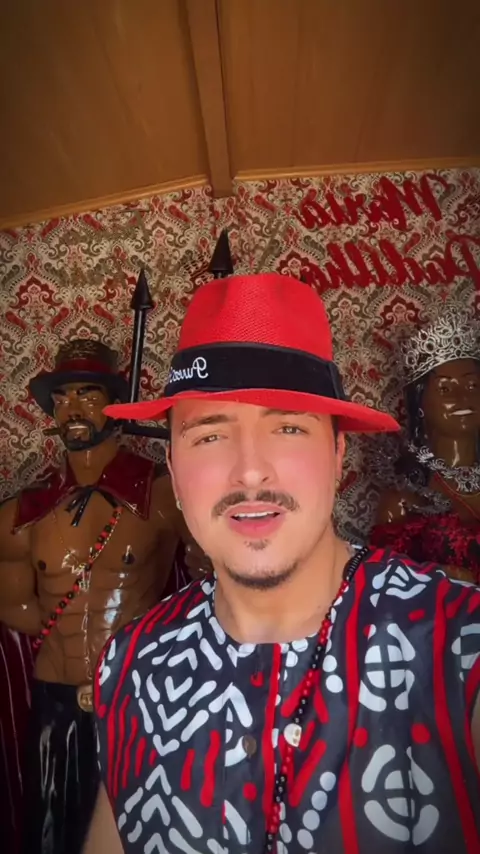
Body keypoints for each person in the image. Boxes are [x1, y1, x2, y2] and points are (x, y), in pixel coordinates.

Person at [85, 274, 480, 854]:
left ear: (338, 454)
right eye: (210, 436)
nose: (250, 471)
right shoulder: (132, 664)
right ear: (173, 465)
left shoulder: (456, 642)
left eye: (288, 428)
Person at [0, 338, 202, 854]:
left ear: (116, 404)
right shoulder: (23, 514)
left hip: (135, 695)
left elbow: (215, 589)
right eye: (62, 397)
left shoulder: (163, 494)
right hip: (55, 699)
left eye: (88, 394)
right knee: (51, 833)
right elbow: (20, 611)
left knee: (136, 828)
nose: (72, 408)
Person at [371, 310, 480, 583]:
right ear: (420, 404)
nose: (463, 398)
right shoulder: (403, 499)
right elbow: (388, 587)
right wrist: (444, 577)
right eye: (445, 389)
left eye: (472, 386)